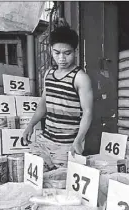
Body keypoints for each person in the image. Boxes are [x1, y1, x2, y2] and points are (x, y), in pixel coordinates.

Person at [23, 25, 93, 170]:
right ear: (51, 50)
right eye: (57, 53)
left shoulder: (80, 78)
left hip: (67, 144)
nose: (61, 58)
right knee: (34, 177)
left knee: (60, 184)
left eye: (67, 53)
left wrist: (79, 140)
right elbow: (43, 103)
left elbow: (88, 112)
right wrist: (30, 125)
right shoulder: (48, 74)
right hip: (45, 140)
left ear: (75, 51)